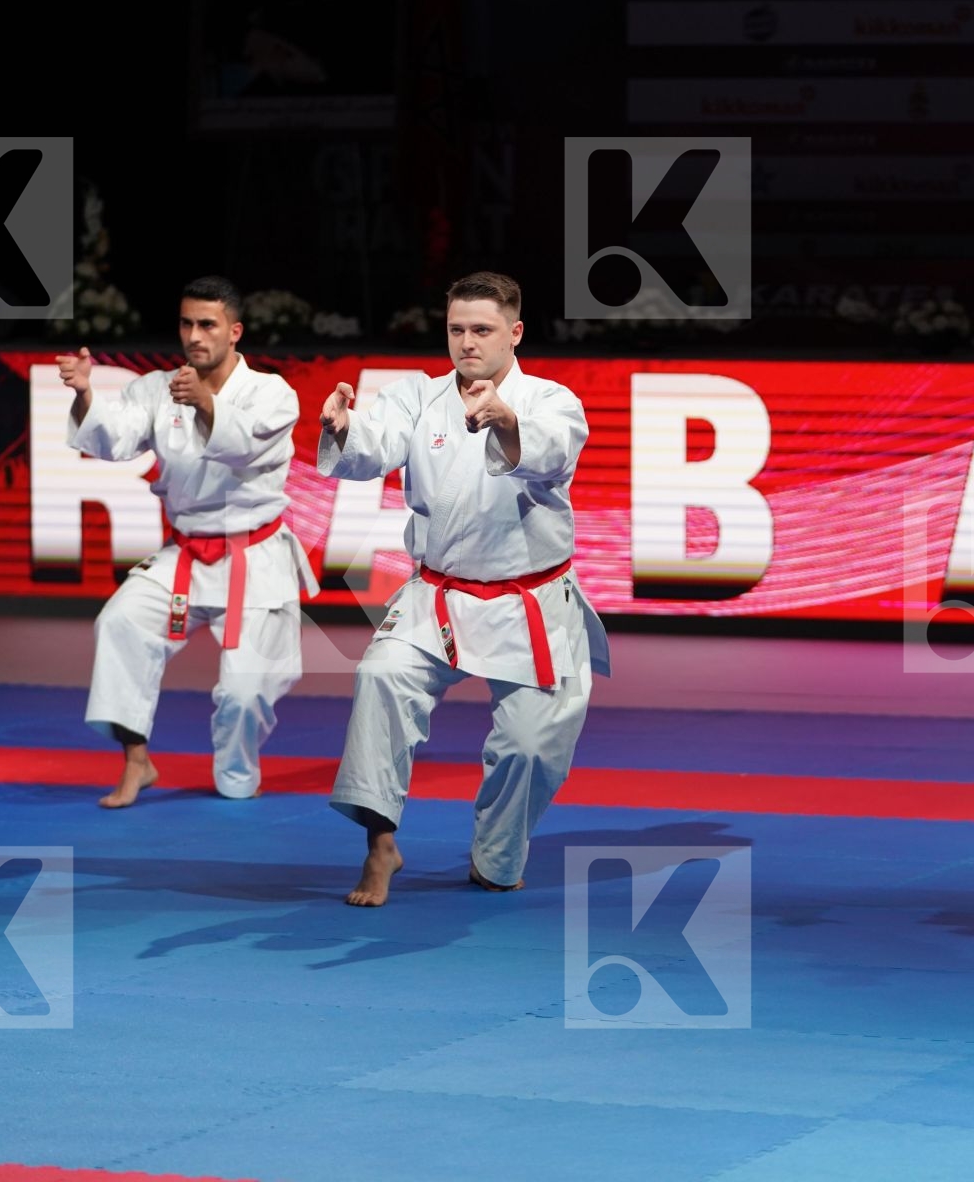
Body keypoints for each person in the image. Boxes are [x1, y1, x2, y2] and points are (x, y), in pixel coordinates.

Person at [316, 270, 610, 905]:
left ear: (516, 332)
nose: (467, 341)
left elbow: (554, 454)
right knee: (380, 679)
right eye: (457, 329)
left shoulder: (552, 401)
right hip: (439, 595)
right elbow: (372, 446)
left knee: (531, 747)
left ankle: (496, 855)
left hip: (532, 600)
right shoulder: (417, 398)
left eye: (483, 329)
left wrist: (505, 422)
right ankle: (380, 845)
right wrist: (343, 429)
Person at [56, 275, 317, 808]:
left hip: (255, 557)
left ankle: (237, 772)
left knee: (245, 695)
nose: (193, 335)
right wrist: (85, 393)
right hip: (186, 554)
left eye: (207, 324)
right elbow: (114, 438)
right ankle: (137, 760)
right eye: (186, 323)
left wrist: (205, 404)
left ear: (234, 331)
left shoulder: (272, 393)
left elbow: (244, 449)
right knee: (121, 623)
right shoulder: (157, 388)